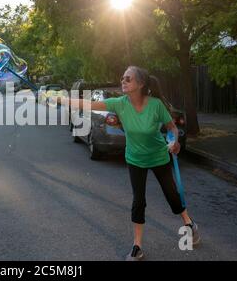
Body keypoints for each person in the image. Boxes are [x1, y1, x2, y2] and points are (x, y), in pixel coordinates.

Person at [60, 66, 200, 261]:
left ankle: (189, 223)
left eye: (128, 78)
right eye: (122, 78)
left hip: (159, 156)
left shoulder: (156, 105)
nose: (123, 81)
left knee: (172, 196)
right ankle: (137, 246)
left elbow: (172, 128)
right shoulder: (119, 104)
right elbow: (89, 104)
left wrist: (174, 142)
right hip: (135, 159)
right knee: (138, 201)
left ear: (140, 84)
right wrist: (61, 99)